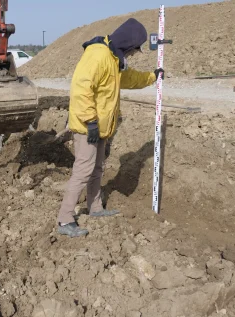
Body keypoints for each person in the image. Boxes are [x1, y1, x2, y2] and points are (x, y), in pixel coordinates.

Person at [56, 18, 165, 238]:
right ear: (128, 44)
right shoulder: (98, 55)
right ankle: (65, 219)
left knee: (96, 169)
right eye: (135, 50)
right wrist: (91, 121)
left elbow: (130, 78)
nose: (134, 55)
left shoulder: (113, 59)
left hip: (101, 128)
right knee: (83, 171)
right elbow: (81, 87)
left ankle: (95, 208)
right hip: (89, 127)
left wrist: (152, 77)